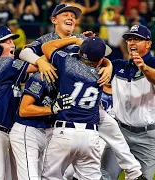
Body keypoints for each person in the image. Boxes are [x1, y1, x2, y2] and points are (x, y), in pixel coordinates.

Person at [20, 3, 144, 180]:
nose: (71, 17)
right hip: (54, 101)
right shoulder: (47, 38)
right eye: (66, 14)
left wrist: (108, 66)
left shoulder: (80, 38)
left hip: (78, 106)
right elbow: (23, 53)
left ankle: (134, 172)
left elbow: (103, 53)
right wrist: (41, 62)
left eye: (74, 15)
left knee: (110, 125)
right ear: (54, 20)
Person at [0, 25, 47, 180]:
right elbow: (40, 66)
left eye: (12, 41)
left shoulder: (5, 68)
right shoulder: (4, 63)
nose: (12, 44)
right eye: (7, 42)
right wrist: (37, 51)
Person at [101, 24, 155, 180]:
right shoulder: (118, 65)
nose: (132, 42)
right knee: (104, 176)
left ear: (148, 44)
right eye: (129, 39)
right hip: (120, 132)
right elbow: (96, 61)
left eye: (138, 39)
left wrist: (144, 67)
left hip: (149, 135)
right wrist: (87, 42)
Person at [41, 35, 112, 179]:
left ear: (80, 52)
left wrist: (74, 39)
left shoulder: (67, 63)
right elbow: (102, 62)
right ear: (100, 60)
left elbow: (46, 47)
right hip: (90, 135)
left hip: (65, 131)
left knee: (50, 177)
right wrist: (109, 65)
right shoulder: (102, 72)